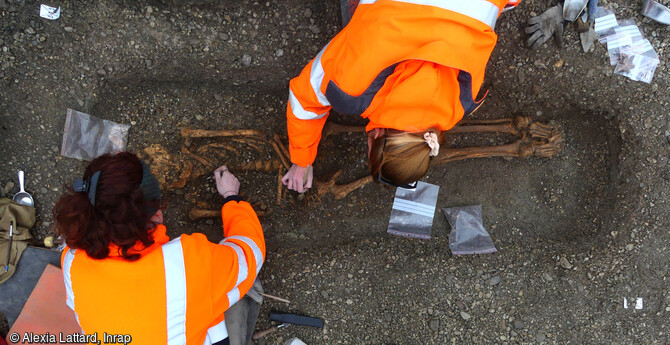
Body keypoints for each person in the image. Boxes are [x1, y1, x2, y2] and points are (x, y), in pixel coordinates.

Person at [282, 0, 521, 192]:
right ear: (373, 137)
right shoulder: (350, 89)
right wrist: (302, 159)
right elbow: (304, 97)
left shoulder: (462, 101)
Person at [53, 152, 265, 345]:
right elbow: (250, 254)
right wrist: (232, 198)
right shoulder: (188, 264)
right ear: (156, 216)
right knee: (224, 299)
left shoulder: (72, 260)